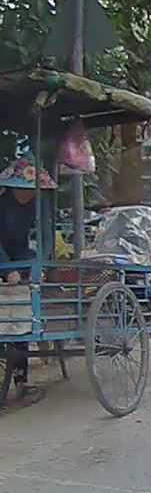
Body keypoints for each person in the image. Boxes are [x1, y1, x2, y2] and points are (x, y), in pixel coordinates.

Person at [0, 154, 53, 404]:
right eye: (23, 190)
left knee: (20, 315)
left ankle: (21, 379)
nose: (27, 195)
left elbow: (46, 237)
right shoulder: (2, 203)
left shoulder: (38, 203)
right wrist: (6, 269)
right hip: (3, 256)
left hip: (22, 257)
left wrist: (39, 264)